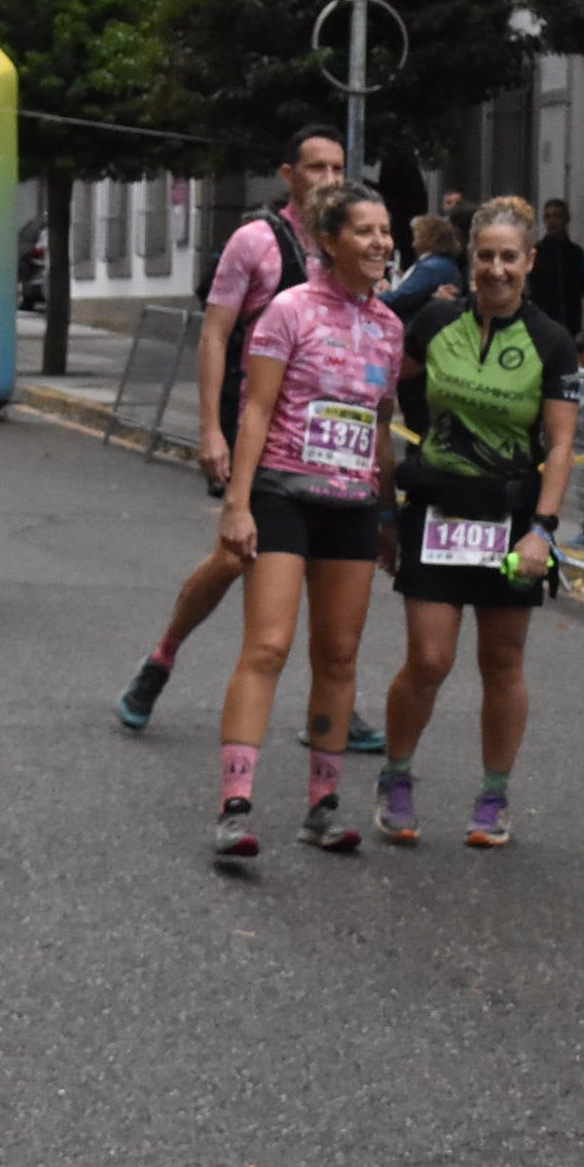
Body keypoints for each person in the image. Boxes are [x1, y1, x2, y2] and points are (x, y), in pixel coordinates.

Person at [115, 126, 376, 746]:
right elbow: (213, 334)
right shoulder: (256, 243)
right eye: (316, 168)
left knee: (331, 561)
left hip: (330, 439)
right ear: (289, 174)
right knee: (239, 553)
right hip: (260, 423)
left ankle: (337, 699)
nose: (329, 180)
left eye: (338, 168)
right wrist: (211, 429)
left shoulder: (351, 248)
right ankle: (161, 658)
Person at [209, 181, 406, 864]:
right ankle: (235, 807)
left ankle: (322, 806)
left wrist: (387, 513)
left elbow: (380, 426)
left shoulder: (389, 325)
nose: (381, 243)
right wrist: (236, 504)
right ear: (329, 240)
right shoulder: (288, 312)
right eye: (365, 231)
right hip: (284, 495)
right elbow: (255, 410)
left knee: (340, 655)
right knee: (267, 645)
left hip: (351, 507)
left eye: (386, 231)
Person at [376, 196, 581, 848]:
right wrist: (382, 500)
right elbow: (379, 395)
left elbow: (561, 446)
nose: (496, 269)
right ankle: (397, 775)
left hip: (512, 517)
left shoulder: (551, 341)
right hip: (435, 507)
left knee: (502, 662)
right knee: (429, 659)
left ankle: (494, 795)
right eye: (485, 256)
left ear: (529, 262)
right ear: (471, 260)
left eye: (508, 258)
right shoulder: (435, 321)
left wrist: (542, 530)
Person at [528, 197, 584, 336]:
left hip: (569, 328)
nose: (551, 221)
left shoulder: (577, 255)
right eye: (547, 217)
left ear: (566, 219)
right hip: (540, 328)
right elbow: (521, 289)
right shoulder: (534, 254)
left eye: (556, 216)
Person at [385, 214, 465, 321]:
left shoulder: (433, 266)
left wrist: (370, 297)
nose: (413, 239)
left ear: (428, 237)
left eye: (417, 234)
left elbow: (400, 298)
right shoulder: (437, 262)